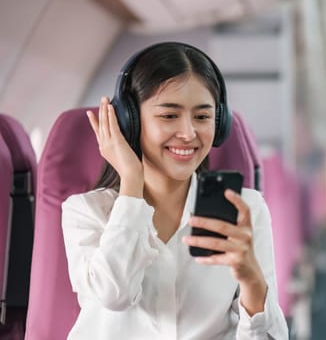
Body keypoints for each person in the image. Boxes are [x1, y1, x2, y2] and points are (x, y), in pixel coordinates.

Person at [61, 42, 288, 339]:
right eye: (169, 116)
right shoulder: (86, 212)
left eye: (202, 117)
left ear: (219, 124)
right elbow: (114, 295)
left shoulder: (245, 209)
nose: (189, 133)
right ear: (129, 121)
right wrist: (132, 180)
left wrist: (252, 282)